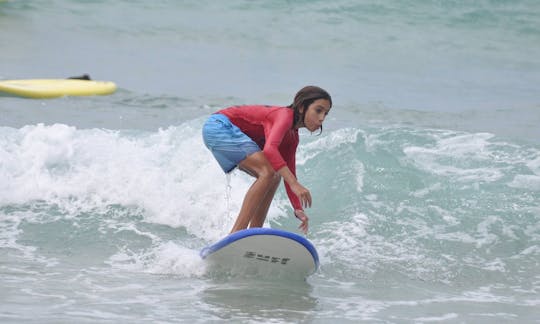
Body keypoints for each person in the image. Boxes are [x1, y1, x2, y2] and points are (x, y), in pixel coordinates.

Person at [202, 86, 332, 234]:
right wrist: (295, 184)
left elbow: (289, 173)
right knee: (268, 172)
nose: (322, 118)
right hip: (219, 126)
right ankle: (237, 233)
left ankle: (254, 233)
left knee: (275, 175)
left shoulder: (292, 137)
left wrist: (298, 209)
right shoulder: (284, 116)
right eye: (318, 110)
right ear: (302, 107)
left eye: (326, 114)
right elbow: (270, 150)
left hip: (222, 131)